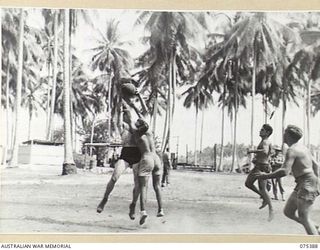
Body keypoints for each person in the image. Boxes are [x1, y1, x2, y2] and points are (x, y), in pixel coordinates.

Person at [255, 125, 320, 235]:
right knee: (288, 212)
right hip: (302, 183)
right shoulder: (303, 147)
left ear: (289, 136)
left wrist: (264, 176)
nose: (283, 135)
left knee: (304, 217)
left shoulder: (292, 150)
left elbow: (284, 171)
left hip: (307, 184)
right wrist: (317, 181)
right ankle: (315, 227)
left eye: (285, 133)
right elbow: (316, 165)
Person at [97, 79, 147, 216]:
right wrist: (120, 98)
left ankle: (133, 205)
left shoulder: (137, 126)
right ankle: (104, 199)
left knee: (137, 183)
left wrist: (139, 97)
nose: (124, 113)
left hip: (137, 154)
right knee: (114, 177)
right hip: (126, 153)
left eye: (126, 113)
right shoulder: (122, 126)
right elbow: (117, 113)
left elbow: (145, 112)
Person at [130, 118, 164, 225]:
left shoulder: (137, 135)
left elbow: (130, 122)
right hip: (156, 158)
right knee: (157, 186)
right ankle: (161, 209)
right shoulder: (149, 133)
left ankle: (143, 211)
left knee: (143, 187)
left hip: (147, 158)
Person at [245, 124, 274, 221]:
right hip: (259, 166)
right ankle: (264, 198)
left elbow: (265, 152)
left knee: (263, 189)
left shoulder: (265, 141)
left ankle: (271, 210)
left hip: (262, 167)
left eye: (262, 130)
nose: (260, 131)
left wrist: (252, 151)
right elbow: (268, 153)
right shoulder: (264, 141)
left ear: (267, 132)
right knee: (248, 183)